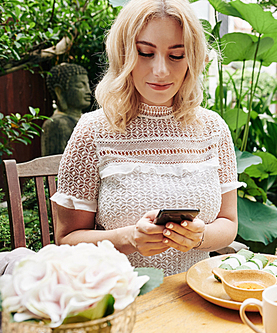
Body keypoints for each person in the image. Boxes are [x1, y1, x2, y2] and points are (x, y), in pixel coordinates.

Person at [51, 0, 243, 276]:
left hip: (196, 297)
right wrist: (129, 239)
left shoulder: (213, 128)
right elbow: (67, 240)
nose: (161, 71)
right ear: (123, 53)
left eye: (177, 55)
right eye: (144, 53)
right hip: (120, 298)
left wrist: (200, 237)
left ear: (194, 59)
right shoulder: (93, 131)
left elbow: (228, 222)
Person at [41, 63, 91, 156]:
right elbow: (54, 164)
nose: (88, 91)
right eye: (80, 86)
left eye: (87, 85)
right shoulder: (57, 124)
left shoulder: (88, 121)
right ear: (59, 91)